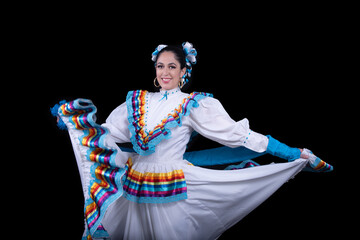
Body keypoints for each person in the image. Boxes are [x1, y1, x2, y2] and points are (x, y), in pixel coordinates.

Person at [51, 42, 333, 240]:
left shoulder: (193, 105)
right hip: (134, 182)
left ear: (183, 71)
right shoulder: (137, 102)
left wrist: (290, 152)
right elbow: (110, 133)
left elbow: (238, 135)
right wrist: (77, 125)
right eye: (161, 66)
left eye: (172, 66)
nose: (165, 72)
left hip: (171, 182)